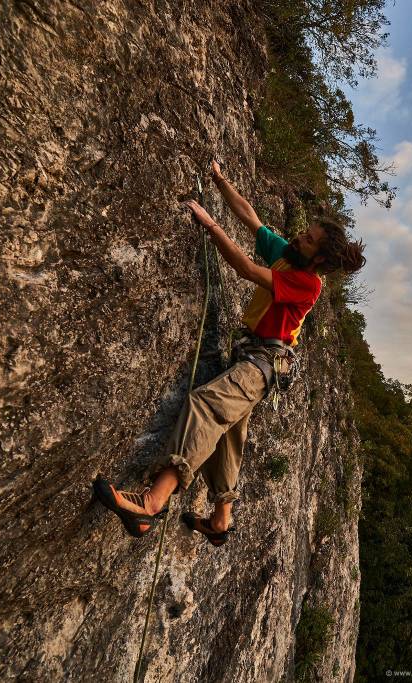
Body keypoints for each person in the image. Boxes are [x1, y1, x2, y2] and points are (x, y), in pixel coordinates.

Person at [93, 161, 366, 546]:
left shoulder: (307, 283)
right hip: (251, 358)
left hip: (262, 364)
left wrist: (210, 225)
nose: (299, 236)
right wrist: (221, 181)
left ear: (319, 258)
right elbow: (251, 217)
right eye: (305, 231)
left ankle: (151, 504)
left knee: (205, 407)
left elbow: (246, 270)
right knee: (227, 434)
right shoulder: (289, 255)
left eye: (307, 238)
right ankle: (222, 519)